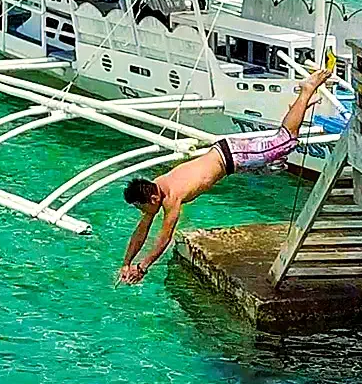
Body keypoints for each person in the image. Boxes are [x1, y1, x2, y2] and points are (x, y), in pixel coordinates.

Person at [116, 55, 335, 284]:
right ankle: (297, 108)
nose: (142, 213)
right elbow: (140, 233)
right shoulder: (158, 185)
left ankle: (306, 90)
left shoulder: (173, 199)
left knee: (286, 141)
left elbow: (164, 238)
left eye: (141, 208)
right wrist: (126, 263)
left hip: (233, 156)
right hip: (228, 156)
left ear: (152, 199)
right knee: (275, 160)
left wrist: (142, 267)